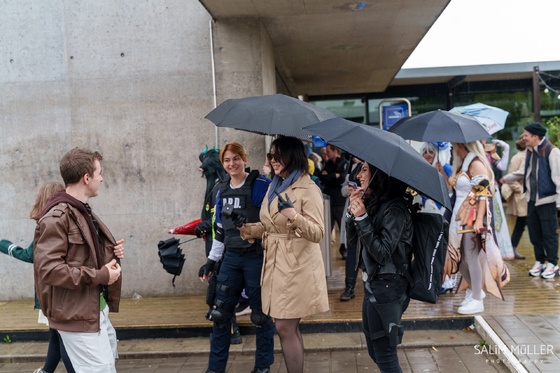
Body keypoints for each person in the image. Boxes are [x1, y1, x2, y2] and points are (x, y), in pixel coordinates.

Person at [240, 136, 329, 373]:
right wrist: (249, 229)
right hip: (276, 264)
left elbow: (318, 233)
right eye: (270, 156)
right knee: (288, 327)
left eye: (277, 156)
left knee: (284, 328)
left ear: (292, 156)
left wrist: (294, 216)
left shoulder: (308, 188)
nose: (272, 161)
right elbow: (272, 226)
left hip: (297, 266)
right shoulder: (274, 185)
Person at [34, 148, 124, 373]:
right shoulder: (58, 216)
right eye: (99, 173)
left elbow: (82, 256)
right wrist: (102, 275)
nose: (101, 178)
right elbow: (51, 270)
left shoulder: (79, 210)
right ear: (86, 178)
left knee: (106, 365)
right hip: (77, 312)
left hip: (92, 307)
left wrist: (111, 254)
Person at [198, 142, 274, 373]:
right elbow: (219, 230)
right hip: (230, 258)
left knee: (261, 317)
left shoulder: (262, 185)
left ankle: (262, 368)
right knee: (220, 314)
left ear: (245, 158)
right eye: (227, 160)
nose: (232, 164)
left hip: (256, 257)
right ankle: (215, 369)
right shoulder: (220, 190)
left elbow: (273, 223)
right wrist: (211, 261)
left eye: (236, 159)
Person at [346, 162, 413, 373]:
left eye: (364, 169)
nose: (359, 175)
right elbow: (353, 240)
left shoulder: (395, 209)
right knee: (374, 350)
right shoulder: (376, 202)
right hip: (373, 283)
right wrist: (353, 212)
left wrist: (363, 218)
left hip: (388, 287)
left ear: (379, 174)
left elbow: (383, 253)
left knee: (384, 353)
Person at [448, 141, 509, 314]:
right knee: (458, 259)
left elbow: (484, 194)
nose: (453, 149)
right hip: (459, 216)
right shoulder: (464, 164)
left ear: (461, 145)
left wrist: (478, 221)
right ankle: (476, 291)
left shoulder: (475, 163)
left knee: (470, 257)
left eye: (454, 146)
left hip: (471, 216)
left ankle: (476, 298)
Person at [501, 122, 560, 278]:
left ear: (535, 136)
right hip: (532, 200)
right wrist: (506, 178)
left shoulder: (552, 151)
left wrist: (559, 202)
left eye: (526, 135)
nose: (524, 138)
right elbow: (524, 171)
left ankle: (553, 264)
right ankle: (540, 261)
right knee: (534, 233)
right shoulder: (530, 151)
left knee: (549, 233)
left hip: (548, 200)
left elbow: (558, 178)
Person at [484, 139, 515, 260]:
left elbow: (502, 166)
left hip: (491, 189)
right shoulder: (468, 149)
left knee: (496, 220)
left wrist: (506, 149)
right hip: (474, 191)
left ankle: (496, 251)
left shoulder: (489, 150)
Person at [318, 144, 349, 259]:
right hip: (329, 201)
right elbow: (322, 176)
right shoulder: (328, 164)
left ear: (335, 151)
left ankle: (344, 249)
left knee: (343, 228)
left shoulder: (344, 163)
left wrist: (332, 177)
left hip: (340, 202)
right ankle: (324, 251)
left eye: (328, 151)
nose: (326, 154)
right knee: (326, 228)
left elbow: (342, 179)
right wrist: (334, 176)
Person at [339, 156, 362, 301]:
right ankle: (349, 286)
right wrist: (347, 190)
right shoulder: (353, 168)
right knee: (352, 251)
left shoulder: (377, 166)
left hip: (369, 215)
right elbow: (343, 190)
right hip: (352, 214)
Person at [501, 136, 528, 259]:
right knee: (521, 223)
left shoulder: (527, 156)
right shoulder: (517, 158)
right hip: (522, 197)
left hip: (526, 196)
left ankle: (513, 248)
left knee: (523, 224)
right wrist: (521, 190)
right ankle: (512, 248)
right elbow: (510, 177)